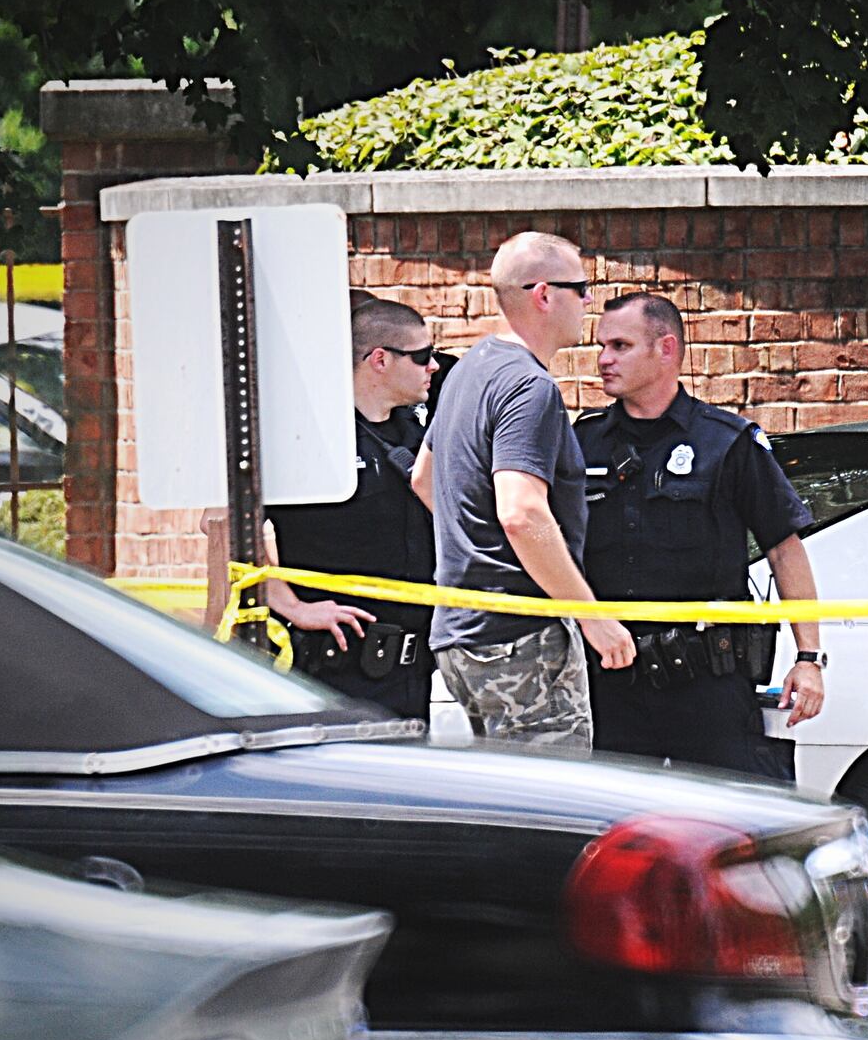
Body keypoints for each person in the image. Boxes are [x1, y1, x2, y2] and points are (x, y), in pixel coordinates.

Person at [574, 291, 825, 778]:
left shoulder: (726, 442)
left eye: (620, 346)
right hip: (609, 679)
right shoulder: (582, 442)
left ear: (666, 349)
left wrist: (809, 657)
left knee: (725, 826)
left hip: (706, 679)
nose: (603, 359)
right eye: (601, 346)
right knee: (615, 830)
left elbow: (784, 550)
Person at [410, 231, 634, 748]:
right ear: (543, 294)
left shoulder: (468, 370)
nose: (587, 303)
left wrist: (476, 547)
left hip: (462, 634)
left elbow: (426, 478)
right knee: (551, 813)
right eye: (581, 288)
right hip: (520, 637)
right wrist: (593, 618)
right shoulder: (529, 387)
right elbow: (521, 512)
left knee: (506, 806)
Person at [263, 297, 437, 719]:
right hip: (331, 670)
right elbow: (220, 523)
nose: (433, 366)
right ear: (380, 360)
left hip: (412, 673)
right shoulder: (308, 439)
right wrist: (290, 606)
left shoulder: (415, 433)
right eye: (422, 357)